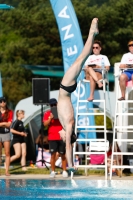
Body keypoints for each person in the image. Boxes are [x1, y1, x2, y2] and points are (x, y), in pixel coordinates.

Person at [57, 18, 99, 171]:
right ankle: (92, 32)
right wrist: (71, 165)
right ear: (69, 135)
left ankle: (92, 33)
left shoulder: (65, 124)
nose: (60, 137)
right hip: (66, 87)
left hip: (67, 89)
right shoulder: (68, 127)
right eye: (63, 137)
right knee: (82, 57)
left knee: (82, 59)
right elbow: (68, 146)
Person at [43, 98, 68, 178]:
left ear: (57, 104)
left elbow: (67, 122)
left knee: (63, 154)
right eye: (52, 105)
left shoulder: (62, 113)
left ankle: (64, 171)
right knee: (53, 155)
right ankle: (53, 171)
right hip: (52, 137)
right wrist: (50, 118)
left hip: (61, 136)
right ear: (50, 105)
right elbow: (45, 124)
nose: (53, 106)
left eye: (54, 104)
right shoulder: (47, 113)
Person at [0, 96, 13, 176]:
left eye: (4, 101)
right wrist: (5, 124)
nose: (3, 103)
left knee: (7, 153)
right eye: (1, 101)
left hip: (6, 133)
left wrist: (1, 124)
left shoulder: (10, 112)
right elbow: (6, 123)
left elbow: (9, 124)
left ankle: (6, 171)